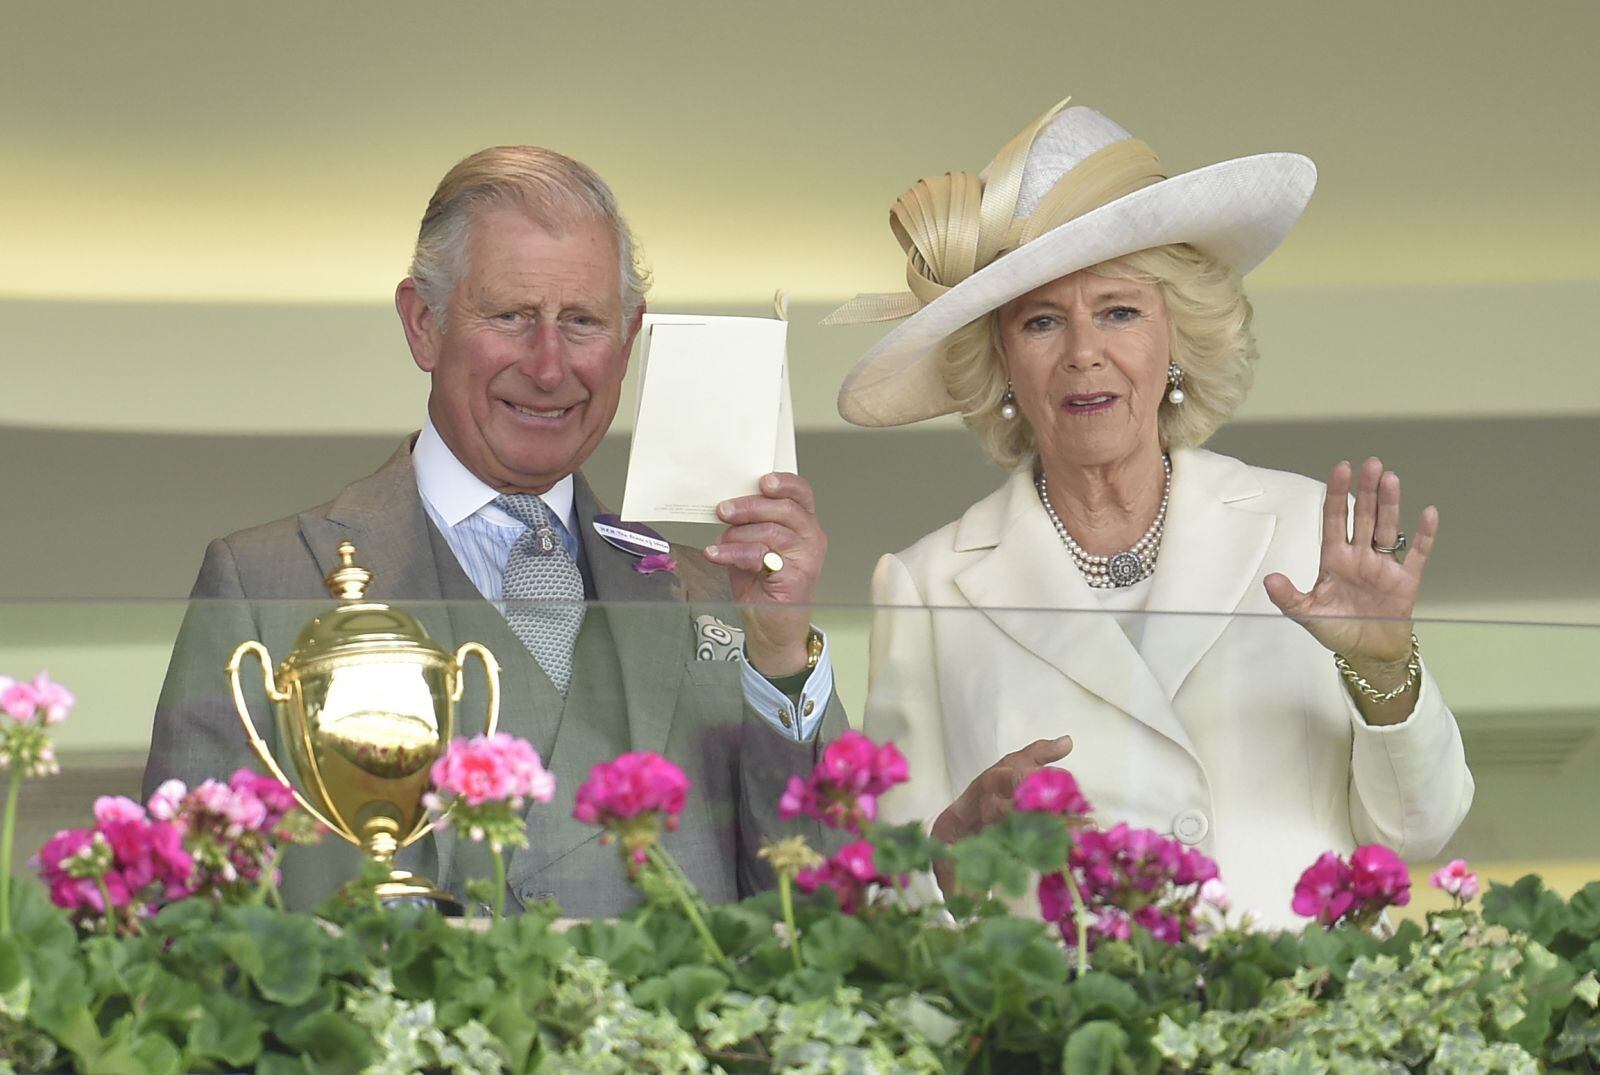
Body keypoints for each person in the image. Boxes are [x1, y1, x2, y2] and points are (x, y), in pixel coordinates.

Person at [144, 146, 845, 916]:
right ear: (423, 325)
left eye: (581, 322)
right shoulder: (265, 583)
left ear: (629, 340)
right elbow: (187, 925)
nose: (549, 367)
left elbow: (820, 906)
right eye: (511, 316)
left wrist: (779, 655)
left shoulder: (719, 592)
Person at [829, 99, 1473, 926]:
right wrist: (956, 839)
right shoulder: (926, 585)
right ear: (1000, 364)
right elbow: (890, 906)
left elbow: (1421, 827)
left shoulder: (1305, 529)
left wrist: (1385, 671)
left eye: (1120, 310)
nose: (1083, 351)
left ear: (1176, 337)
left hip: (1294, 1029)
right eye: (1041, 320)